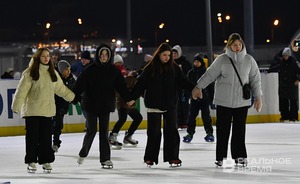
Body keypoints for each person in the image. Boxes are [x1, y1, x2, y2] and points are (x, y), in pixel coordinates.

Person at [192, 33, 263, 167]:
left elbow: (255, 80)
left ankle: (240, 156)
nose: (237, 47)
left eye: (239, 45)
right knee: (223, 131)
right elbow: (209, 75)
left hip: (242, 102)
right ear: (229, 46)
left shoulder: (249, 60)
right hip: (224, 102)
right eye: (234, 45)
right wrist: (198, 87)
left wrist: (258, 97)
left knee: (239, 131)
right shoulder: (222, 60)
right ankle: (221, 158)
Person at [11, 47, 75, 173]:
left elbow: (61, 89)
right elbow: (21, 91)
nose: (46, 58)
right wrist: (16, 106)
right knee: (32, 138)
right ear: (38, 58)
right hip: (32, 111)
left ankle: (45, 161)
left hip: (47, 111)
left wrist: (72, 97)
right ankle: (31, 161)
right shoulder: (30, 72)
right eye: (43, 56)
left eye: (48, 56)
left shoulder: (52, 73)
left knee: (46, 138)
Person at [131, 43, 195, 167]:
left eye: (169, 55)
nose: (167, 57)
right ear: (159, 54)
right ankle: (150, 157)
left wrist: (194, 89)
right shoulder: (150, 68)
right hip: (153, 104)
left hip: (170, 104)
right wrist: (132, 98)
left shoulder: (175, 68)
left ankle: (173, 157)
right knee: (154, 133)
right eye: (164, 55)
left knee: (172, 131)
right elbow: (140, 84)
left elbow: (183, 81)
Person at [72, 44, 133, 169]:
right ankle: (83, 153)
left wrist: (129, 98)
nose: (104, 57)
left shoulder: (114, 71)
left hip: (105, 105)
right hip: (90, 105)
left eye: (106, 55)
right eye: (101, 54)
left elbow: (121, 87)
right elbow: (79, 86)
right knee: (92, 130)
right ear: (98, 55)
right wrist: (73, 97)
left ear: (109, 56)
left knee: (104, 132)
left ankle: (105, 159)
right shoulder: (89, 70)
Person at [183, 53, 215, 143]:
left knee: (206, 116)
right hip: (194, 99)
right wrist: (186, 96)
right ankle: (190, 133)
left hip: (204, 99)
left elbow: (210, 86)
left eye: (198, 61)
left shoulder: (206, 73)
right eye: (195, 61)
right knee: (191, 116)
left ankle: (209, 133)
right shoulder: (191, 73)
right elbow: (187, 85)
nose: (196, 63)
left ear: (201, 62)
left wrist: (212, 98)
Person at [268, 47, 300, 122]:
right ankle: (285, 116)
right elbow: (276, 67)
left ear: (289, 55)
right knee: (283, 102)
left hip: (292, 85)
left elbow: (299, 71)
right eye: (284, 56)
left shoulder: (293, 62)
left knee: (293, 102)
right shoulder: (281, 62)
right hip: (283, 86)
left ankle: (293, 117)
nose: (285, 57)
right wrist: (269, 70)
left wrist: (298, 79)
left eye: (286, 56)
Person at [52, 60, 76, 152]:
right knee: (58, 125)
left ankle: (55, 142)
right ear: (61, 70)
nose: (68, 71)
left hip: (63, 107)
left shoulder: (71, 79)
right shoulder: (56, 79)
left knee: (57, 125)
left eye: (69, 69)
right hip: (54, 105)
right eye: (66, 70)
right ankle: (55, 143)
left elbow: (74, 91)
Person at [172, 45, 192, 129]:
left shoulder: (185, 62)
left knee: (184, 105)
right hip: (174, 88)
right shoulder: (170, 62)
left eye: (175, 53)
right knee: (176, 105)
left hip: (184, 88)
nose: (174, 55)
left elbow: (189, 74)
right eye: (172, 53)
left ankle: (185, 122)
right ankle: (178, 122)